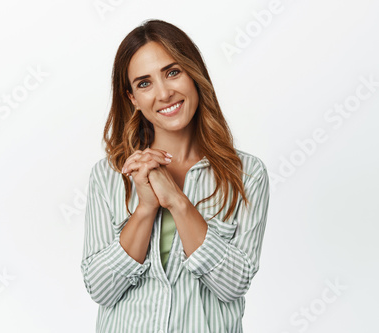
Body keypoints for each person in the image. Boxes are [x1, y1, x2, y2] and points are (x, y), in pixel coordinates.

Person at [80, 18, 270, 333]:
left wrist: (178, 203)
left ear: (194, 74)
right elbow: (101, 290)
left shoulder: (247, 174)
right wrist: (145, 209)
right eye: (144, 83)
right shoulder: (109, 175)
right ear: (133, 99)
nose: (164, 93)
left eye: (172, 72)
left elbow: (234, 284)